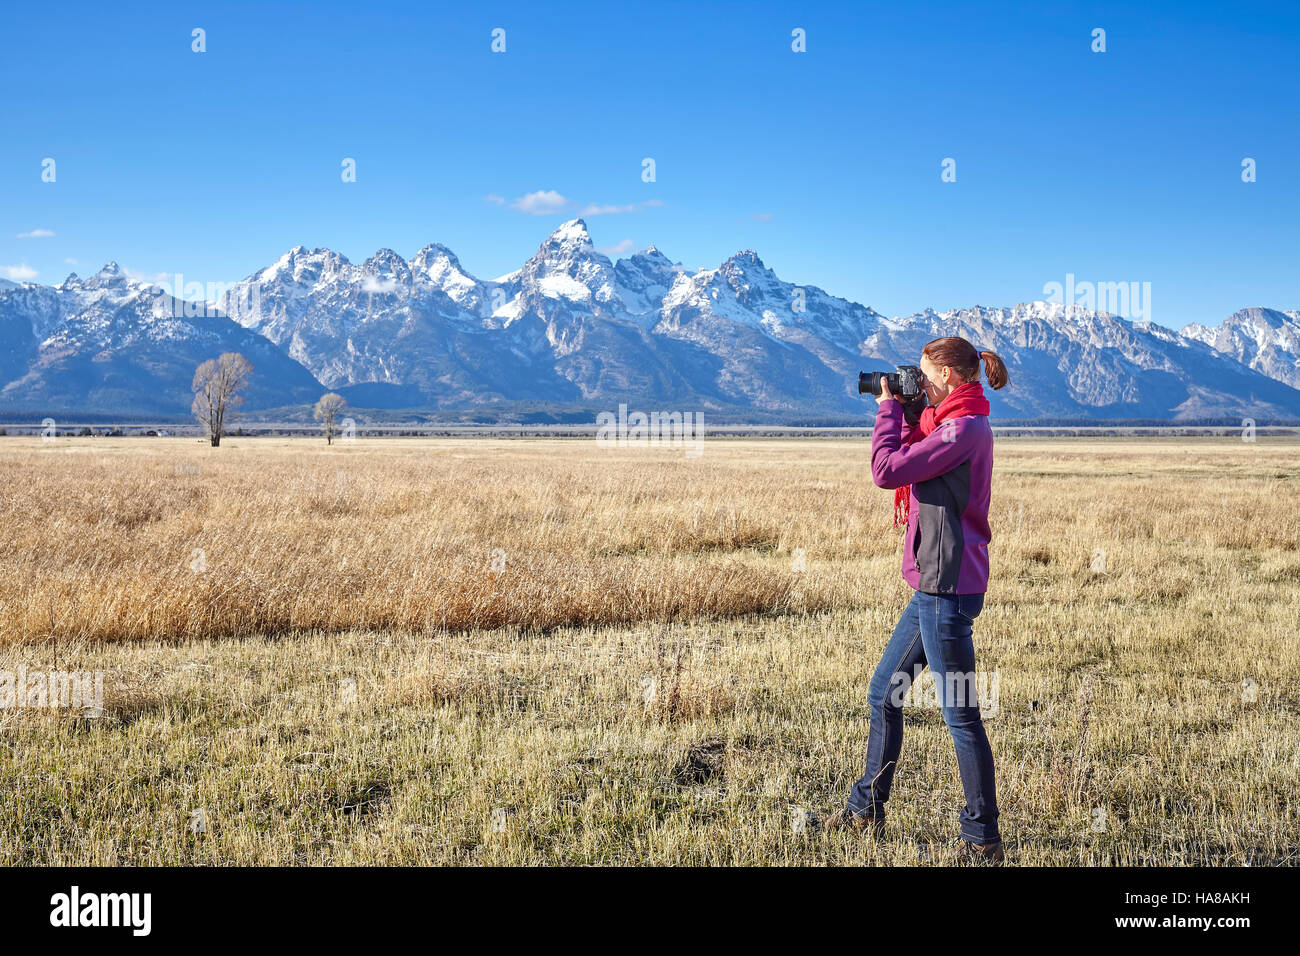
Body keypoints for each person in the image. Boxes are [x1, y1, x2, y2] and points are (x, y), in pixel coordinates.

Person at [822, 336, 1011, 863]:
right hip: (934, 585)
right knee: (885, 693)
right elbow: (912, 457)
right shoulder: (949, 421)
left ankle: (982, 839)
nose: (919, 383)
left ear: (950, 376)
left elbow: (889, 470)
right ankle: (865, 812)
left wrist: (887, 410)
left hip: (945, 590)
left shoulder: (962, 429)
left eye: (926, 375)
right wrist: (907, 410)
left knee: (960, 715)